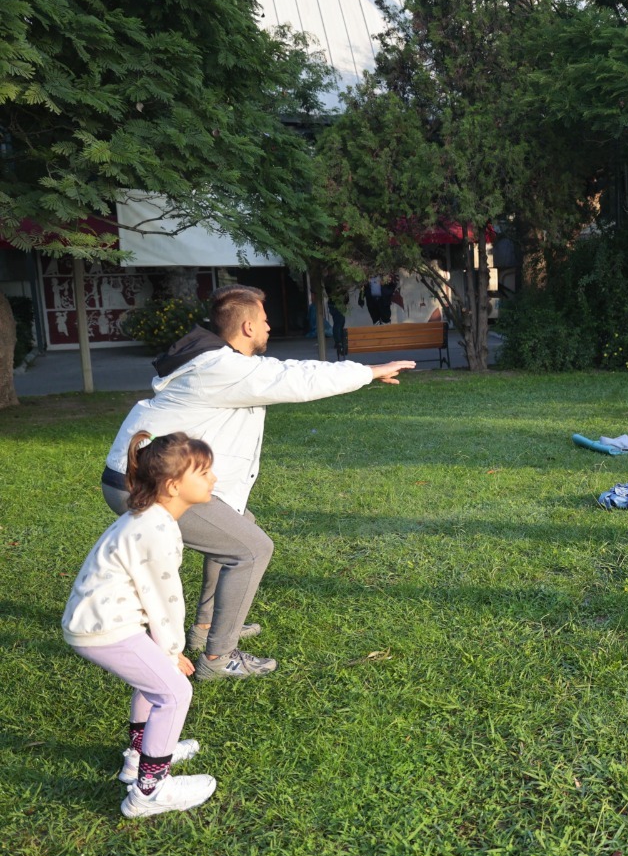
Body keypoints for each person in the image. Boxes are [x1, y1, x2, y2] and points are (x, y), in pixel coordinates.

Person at [102, 285, 415, 678]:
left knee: (238, 527)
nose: (270, 326)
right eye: (265, 321)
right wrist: (368, 372)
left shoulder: (222, 364)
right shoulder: (221, 368)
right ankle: (219, 658)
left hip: (154, 477)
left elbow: (288, 372)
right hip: (147, 485)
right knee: (250, 549)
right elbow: (295, 378)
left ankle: (204, 629)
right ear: (248, 326)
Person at [63, 431, 219, 817]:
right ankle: (149, 790)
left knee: (153, 683)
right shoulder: (156, 530)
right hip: (103, 627)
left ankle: (138, 755)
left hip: (101, 619)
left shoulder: (148, 517)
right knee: (175, 692)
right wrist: (172, 651)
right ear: (173, 485)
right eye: (203, 472)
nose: (213, 478)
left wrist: (161, 651)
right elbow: (163, 599)